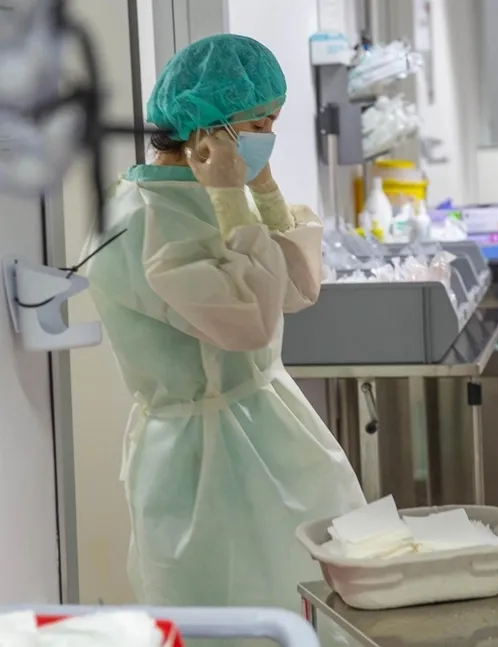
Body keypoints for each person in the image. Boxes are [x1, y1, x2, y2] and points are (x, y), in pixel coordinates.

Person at [84, 34, 365, 611]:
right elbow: (247, 320)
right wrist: (232, 198)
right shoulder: (140, 220)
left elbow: (297, 288)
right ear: (207, 129)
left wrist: (259, 192)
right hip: (199, 460)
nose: (268, 140)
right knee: (227, 614)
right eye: (260, 125)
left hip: (271, 430)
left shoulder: (204, 196)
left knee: (311, 601)